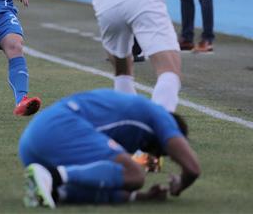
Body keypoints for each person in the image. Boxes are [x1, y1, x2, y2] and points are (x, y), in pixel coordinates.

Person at [20, 89, 201, 208]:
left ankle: (54, 189)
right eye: (162, 153)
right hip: (59, 127)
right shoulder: (161, 116)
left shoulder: (132, 132)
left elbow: (108, 178)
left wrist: (141, 197)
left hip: (32, 143)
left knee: (117, 174)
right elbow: (193, 169)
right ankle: (52, 176)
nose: (154, 157)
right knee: (135, 174)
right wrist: (180, 183)